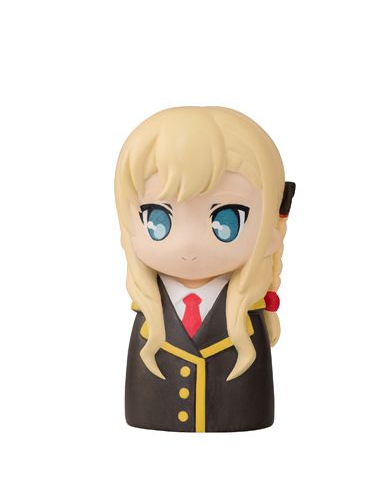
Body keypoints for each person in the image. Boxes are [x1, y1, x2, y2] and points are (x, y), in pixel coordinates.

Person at [114, 106, 295, 432]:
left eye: (226, 220)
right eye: (158, 219)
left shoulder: (249, 319)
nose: (188, 245)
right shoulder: (149, 318)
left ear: (271, 227)